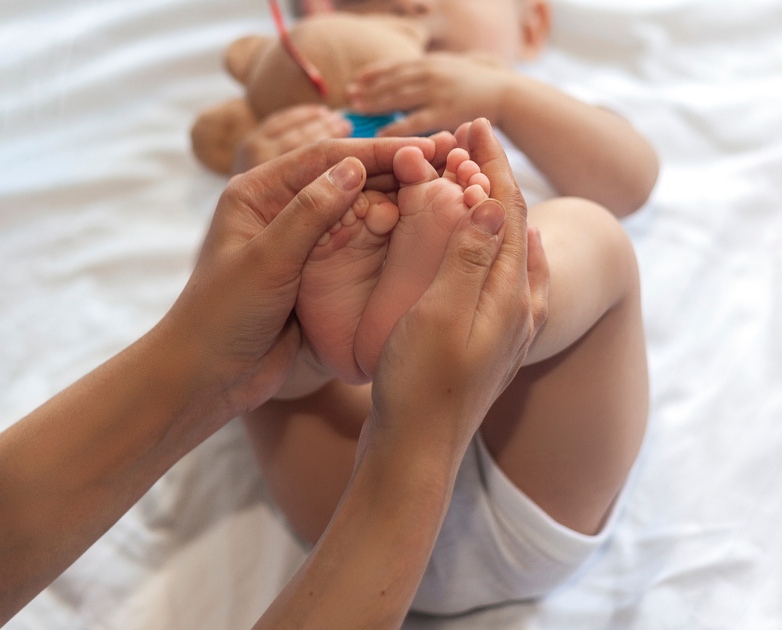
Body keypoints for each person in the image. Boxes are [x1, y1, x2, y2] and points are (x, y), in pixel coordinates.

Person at [218, 0, 657, 614]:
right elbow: (220, 303)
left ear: (530, 24)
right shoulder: (315, 144)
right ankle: (361, 331)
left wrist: (507, 95)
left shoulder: (539, 121)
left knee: (588, 229)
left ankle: (493, 296)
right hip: (355, 486)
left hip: (531, 464)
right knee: (250, 303)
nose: (409, 3)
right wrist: (265, 167)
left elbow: (632, 181)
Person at [0, 122, 550, 628]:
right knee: (588, 233)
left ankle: (336, 346)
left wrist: (200, 359)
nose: (410, 8)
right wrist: (418, 443)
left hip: (340, 527)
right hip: (467, 482)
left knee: (281, 377)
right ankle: (479, 300)